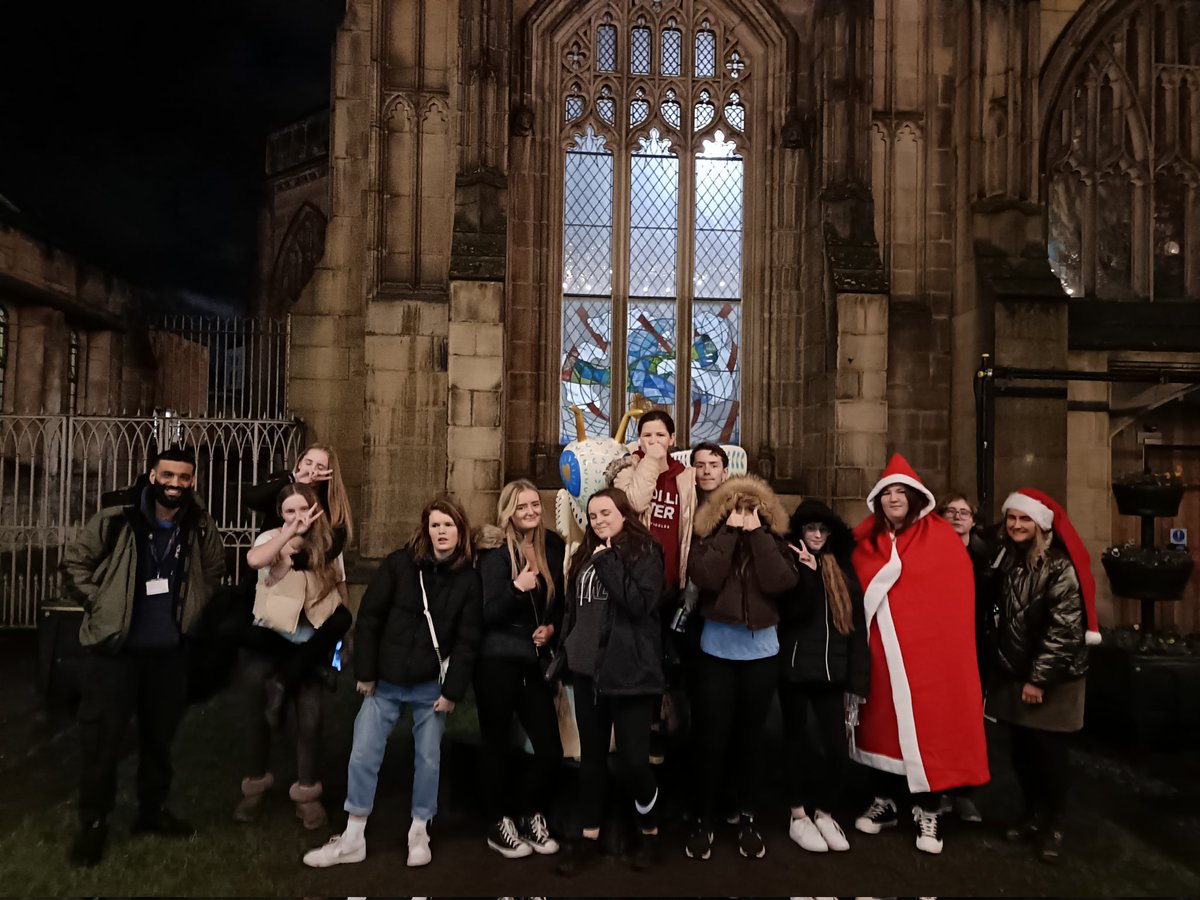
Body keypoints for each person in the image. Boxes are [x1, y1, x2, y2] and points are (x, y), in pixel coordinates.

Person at [60, 445, 226, 867]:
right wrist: (100, 604)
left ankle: (151, 813)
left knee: (159, 741)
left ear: (193, 481)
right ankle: (93, 824)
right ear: (152, 475)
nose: (175, 484)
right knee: (102, 740)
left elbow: (212, 571)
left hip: (168, 656)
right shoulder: (117, 518)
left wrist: (193, 614)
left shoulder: (199, 524)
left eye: (184, 478)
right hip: (116, 654)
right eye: (167, 475)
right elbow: (75, 563)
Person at [302, 497, 482, 869]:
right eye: (435, 525)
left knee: (428, 758)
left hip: (429, 685)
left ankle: (419, 829)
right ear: (425, 528)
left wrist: (452, 692)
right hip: (386, 678)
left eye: (448, 525)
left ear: (460, 530)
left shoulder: (468, 578)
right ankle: (354, 834)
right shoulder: (400, 565)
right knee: (364, 753)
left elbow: (467, 639)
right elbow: (368, 619)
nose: (441, 532)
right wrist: (365, 672)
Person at [849, 454, 988, 855]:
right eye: (887, 492)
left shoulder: (940, 537)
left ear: (913, 497)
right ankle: (887, 801)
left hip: (929, 659)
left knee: (931, 729)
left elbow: (952, 600)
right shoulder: (866, 538)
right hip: (879, 654)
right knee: (881, 727)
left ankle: (930, 809)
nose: (894, 499)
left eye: (900, 492)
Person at [684, 475, 800, 861]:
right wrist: (731, 534)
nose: (744, 514)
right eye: (737, 508)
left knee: (752, 741)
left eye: (751, 509)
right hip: (716, 654)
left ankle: (746, 817)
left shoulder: (775, 544)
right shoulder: (709, 543)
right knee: (710, 740)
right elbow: (705, 577)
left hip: (761, 656)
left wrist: (759, 537)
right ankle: (703, 818)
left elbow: (780, 581)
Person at [555, 488, 666, 876]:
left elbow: (639, 604)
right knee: (593, 760)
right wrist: (565, 645)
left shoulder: (644, 552)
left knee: (636, 762)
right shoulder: (586, 553)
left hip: (630, 674)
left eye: (606, 513)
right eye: (594, 515)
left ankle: (651, 832)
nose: (599, 520)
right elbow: (574, 609)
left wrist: (609, 562)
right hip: (587, 674)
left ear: (624, 513)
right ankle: (588, 837)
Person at [989, 488, 1100, 864]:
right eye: (1012, 518)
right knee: (1023, 754)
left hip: (1052, 679)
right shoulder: (1009, 559)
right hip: (1017, 674)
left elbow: (1064, 630)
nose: (1017, 525)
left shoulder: (1058, 566)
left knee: (1049, 756)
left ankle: (1053, 823)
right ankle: (1032, 815)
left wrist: (1038, 679)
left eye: (1025, 519)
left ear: (1041, 524)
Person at [235, 482, 348, 829]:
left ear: (315, 509)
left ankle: (307, 794)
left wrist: (340, 647)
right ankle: (254, 786)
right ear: (280, 514)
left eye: (304, 509)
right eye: (290, 511)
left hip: (309, 641)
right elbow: (255, 560)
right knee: (258, 716)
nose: (299, 517)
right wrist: (286, 534)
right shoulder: (270, 540)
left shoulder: (327, 543)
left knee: (310, 720)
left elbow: (340, 590)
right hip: (271, 638)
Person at [474, 480, 565, 859]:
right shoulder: (495, 553)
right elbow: (487, 614)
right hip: (496, 661)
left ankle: (529, 812)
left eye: (534, 505)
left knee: (550, 750)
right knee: (496, 745)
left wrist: (551, 628)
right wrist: (516, 587)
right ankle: (499, 822)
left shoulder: (554, 546)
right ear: (508, 511)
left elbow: (558, 600)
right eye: (521, 506)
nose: (529, 512)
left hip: (533, 662)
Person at [779, 498, 869, 854]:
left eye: (821, 530)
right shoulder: (790, 563)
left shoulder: (843, 569)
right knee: (795, 745)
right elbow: (792, 614)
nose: (816, 535)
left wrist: (857, 680)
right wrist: (809, 576)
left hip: (833, 673)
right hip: (796, 672)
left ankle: (825, 812)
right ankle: (798, 815)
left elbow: (856, 626)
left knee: (836, 750)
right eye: (810, 529)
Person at [243, 444, 356, 725]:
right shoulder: (283, 491)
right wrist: (292, 480)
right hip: (278, 594)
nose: (312, 471)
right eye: (308, 462)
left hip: (312, 593)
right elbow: (256, 553)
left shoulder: (332, 518)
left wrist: (295, 555)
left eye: (320, 466)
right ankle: (310, 668)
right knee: (245, 632)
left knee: (341, 618)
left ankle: (291, 675)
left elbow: (331, 564)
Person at [939, 491, 1001, 824]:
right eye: (951, 511)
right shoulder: (930, 554)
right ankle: (940, 791)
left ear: (973, 520)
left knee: (968, 725)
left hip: (974, 648)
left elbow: (994, 602)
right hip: (939, 649)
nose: (957, 516)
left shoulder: (985, 559)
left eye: (964, 512)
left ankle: (963, 794)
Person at [607, 410, 697, 597]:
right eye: (647, 435)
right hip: (636, 576)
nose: (654, 441)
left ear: (671, 439)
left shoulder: (686, 476)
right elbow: (634, 504)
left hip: (671, 577)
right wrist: (651, 460)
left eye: (660, 435)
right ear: (639, 440)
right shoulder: (625, 469)